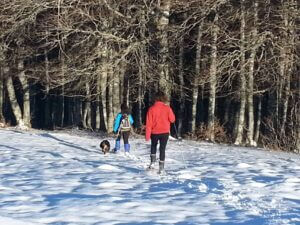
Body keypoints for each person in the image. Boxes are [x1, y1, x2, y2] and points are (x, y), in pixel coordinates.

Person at [145, 91, 175, 173]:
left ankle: (152, 163)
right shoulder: (167, 108)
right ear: (164, 98)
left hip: (154, 132)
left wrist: (147, 135)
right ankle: (161, 167)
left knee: (153, 146)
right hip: (165, 132)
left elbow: (148, 123)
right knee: (162, 149)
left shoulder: (151, 109)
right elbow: (172, 120)